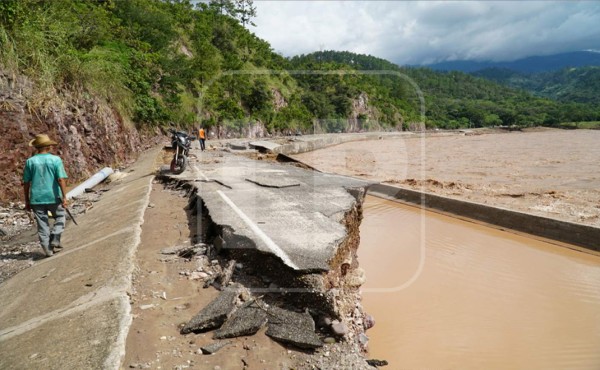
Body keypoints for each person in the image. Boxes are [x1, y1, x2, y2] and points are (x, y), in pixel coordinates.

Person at [22, 134, 69, 257]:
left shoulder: (30, 162)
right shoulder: (55, 160)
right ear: (49, 146)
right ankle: (55, 236)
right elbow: (61, 179)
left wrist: (27, 201)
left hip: (36, 198)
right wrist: (64, 197)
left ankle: (48, 251)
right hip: (53, 196)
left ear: (37, 147)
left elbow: (26, 183)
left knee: (42, 224)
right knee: (60, 217)